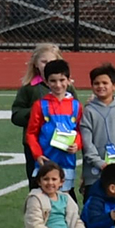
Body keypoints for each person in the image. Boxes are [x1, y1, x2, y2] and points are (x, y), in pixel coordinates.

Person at [24, 59, 81, 193]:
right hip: (46, 160)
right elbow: (31, 133)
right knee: (45, 199)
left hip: (66, 161)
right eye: (53, 81)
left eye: (62, 80)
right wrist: (37, 154)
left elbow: (79, 130)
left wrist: (77, 144)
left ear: (68, 80)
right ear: (46, 81)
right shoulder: (40, 105)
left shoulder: (76, 106)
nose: (58, 85)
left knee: (63, 199)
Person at [78, 64, 115, 192]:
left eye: (105, 83)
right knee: (95, 205)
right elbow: (86, 141)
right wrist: (98, 162)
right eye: (96, 83)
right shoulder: (89, 111)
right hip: (95, 172)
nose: (100, 86)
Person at [11, 44, 63, 182]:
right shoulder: (29, 88)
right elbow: (16, 115)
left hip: (60, 143)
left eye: (51, 62)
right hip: (35, 145)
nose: (47, 65)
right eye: (44, 62)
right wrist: (34, 112)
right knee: (37, 182)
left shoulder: (66, 86)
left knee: (63, 184)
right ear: (35, 64)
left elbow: (76, 111)